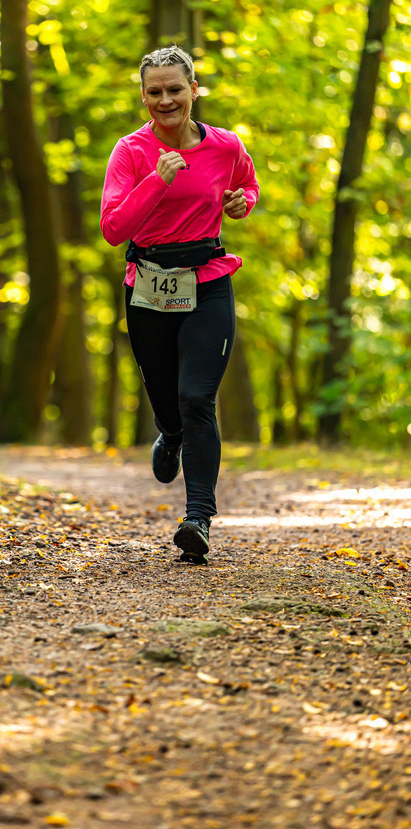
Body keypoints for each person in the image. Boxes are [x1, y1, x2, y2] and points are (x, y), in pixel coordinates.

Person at [100, 45, 259, 564]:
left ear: (194, 90)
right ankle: (168, 436)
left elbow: (245, 186)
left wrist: (242, 204)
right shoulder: (130, 152)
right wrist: (157, 180)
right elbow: (113, 228)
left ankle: (198, 519)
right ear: (143, 95)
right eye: (154, 92)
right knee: (169, 402)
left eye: (175, 89)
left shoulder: (226, 145)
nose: (165, 100)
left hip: (208, 279)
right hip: (148, 284)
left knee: (197, 399)